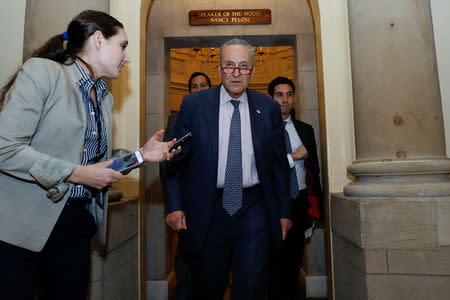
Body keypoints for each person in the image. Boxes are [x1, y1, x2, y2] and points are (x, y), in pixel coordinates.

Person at [0, 10, 178, 300]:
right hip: (21, 231)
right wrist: (76, 173)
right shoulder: (43, 72)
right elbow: (5, 147)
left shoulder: (104, 97)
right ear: (98, 40)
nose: (127, 57)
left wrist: (141, 156)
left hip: (75, 225)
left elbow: (97, 166)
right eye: (123, 45)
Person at [164, 38, 292, 300]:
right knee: (208, 285)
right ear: (220, 69)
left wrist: (284, 212)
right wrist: (174, 205)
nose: (236, 73)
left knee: (252, 285)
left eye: (243, 66)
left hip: (254, 207)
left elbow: (279, 165)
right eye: (230, 65)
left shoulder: (268, 109)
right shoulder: (193, 105)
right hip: (207, 210)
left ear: (253, 70)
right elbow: (174, 161)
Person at [267, 76, 322, 300]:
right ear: (271, 99)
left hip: (299, 199)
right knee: (274, 258)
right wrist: (292, 157)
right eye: (279, 95)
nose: (285, 100)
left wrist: (314, 207)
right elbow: (265, 168)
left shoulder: (305, 130)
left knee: (295, 258)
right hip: (273, 202)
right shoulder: (263, 131)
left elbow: (315, 168)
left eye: (289, 94)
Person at [160, 71, 211, 300]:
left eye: (204, 85)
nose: (199, 90)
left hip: (223, 209)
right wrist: (174, 205)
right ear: (189, 91)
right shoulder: (178, 119)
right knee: (187, 270)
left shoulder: (224, 115)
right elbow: (169, 165)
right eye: (194, 86)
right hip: (190, 209)